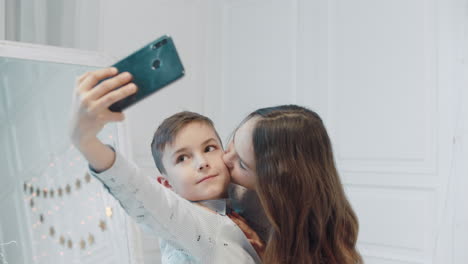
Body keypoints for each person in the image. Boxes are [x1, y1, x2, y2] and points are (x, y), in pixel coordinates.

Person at [69, 68, 262, 263]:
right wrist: (87, 143)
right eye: (182, 158)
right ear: (167, 184)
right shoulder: (186, 222)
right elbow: (144, 194)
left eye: (209, 148)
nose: (202, 163)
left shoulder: (242, 209)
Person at [223, 105, 363, 264]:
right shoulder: (228, 188)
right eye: (233, 142)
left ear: (273, 183)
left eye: (241, 164)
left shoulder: (316, 239)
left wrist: (262, 255)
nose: (225, 159)